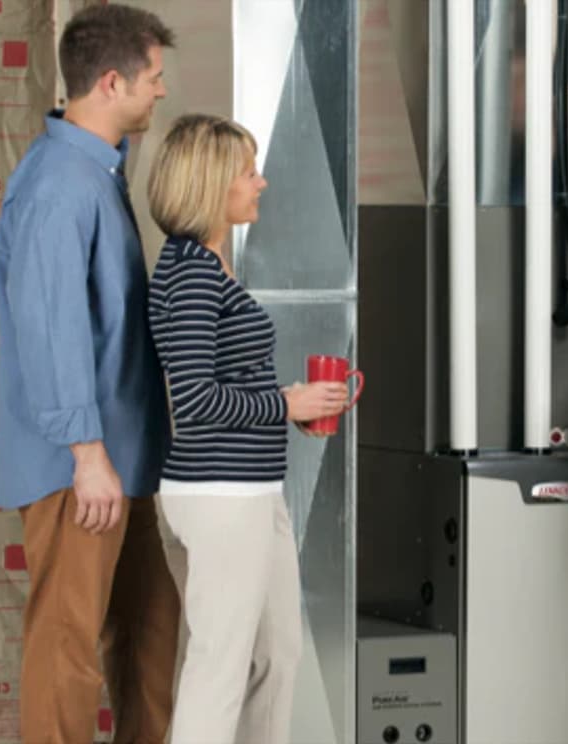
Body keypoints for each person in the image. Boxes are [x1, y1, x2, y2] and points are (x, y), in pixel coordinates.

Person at [0, 5, 180, 742]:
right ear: (111, 82)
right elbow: (51, 328)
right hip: (82, 467)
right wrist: (86, 454)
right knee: (67, 647)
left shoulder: (96, 173)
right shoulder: (59, 187)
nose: (160, 92)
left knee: (150, 629)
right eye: (153, 79)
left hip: (121, 460)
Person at [146, 113, 349, 744]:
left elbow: (224, 385)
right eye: (248, 172)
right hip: (219, 497)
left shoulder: (208, 267)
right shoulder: (191, 278)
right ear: (211, 184)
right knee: (221, 667)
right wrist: (285, 407)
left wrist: (289, 397)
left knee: (276, 656)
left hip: (252, 491)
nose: (260, 184)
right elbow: (197, 401)